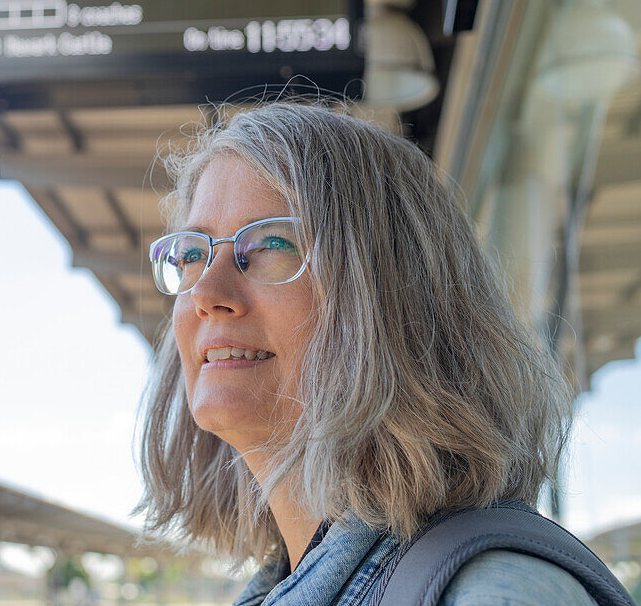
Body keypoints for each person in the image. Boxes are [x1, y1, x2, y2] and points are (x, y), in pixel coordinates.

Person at [136, 102, 598, 605]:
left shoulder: (488, 595)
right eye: (191, 255)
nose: (205, 292)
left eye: (272, 242)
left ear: (396, 296)